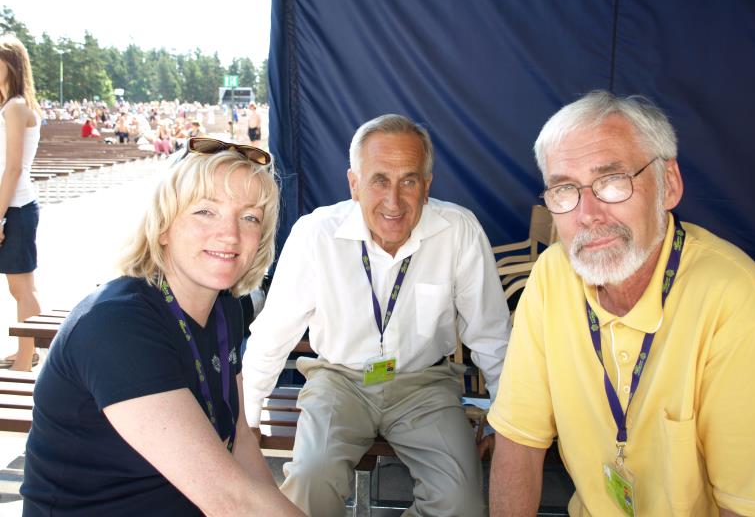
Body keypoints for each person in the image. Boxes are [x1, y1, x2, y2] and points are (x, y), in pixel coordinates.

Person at [488, 91, 755, 516]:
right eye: (564, 189)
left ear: (668, 184)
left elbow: (750, 507)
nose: (588, 213)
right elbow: (518, 442)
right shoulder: (552, 275)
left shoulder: (734, 299)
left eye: (612, 181)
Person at [243, 114, 511, 516]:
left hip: (425, 385)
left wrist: (505, 421)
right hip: (339, 381)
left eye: (409, 181)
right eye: (379, 180)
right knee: (310, 482)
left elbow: (491, 334)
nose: (394, 201)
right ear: (354, 184)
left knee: (461, 502)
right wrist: (247, 418)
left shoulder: (458, 230)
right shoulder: (316, 234)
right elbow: (273, 333)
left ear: (427, 185)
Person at [21, 138, 304, 516]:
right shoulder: (117, 326)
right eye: (205, 211)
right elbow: (231, 500)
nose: (230, 234)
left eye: (249, 217)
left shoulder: (225, 308)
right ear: (164, 226)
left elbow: (238, 439)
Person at [0, 33, 42, 372]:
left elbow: (13, 168)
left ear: (11, 64)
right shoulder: (10, 105)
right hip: (12, 206)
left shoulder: (15, 106)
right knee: (21, 287)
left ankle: (26, 360)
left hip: (15, 207)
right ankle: (25, 351)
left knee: (22, 288)